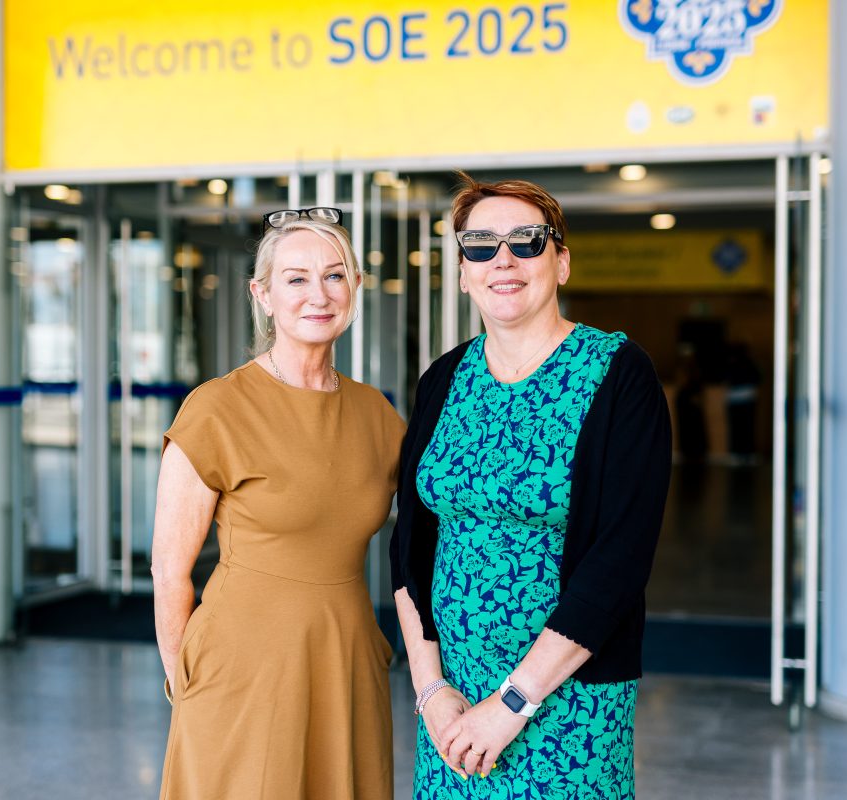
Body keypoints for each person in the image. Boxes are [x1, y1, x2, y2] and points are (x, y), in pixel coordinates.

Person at [390, 176, 671, 798]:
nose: (503, 260)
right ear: (463, 273)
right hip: (453, 700)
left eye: (526, 241)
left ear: (561, 262)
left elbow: (620, 558)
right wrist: (430, 689)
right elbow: (409, 545)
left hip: (567, 697)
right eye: (481, 245)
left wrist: (513, 701)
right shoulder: (443, 379)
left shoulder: (619, 374)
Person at [152, 208, 405, 799]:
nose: (319, 294)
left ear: (355, 288)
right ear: (262, 294)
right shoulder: (217, 408)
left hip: (346, 660)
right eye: (296, 279)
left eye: (334, 275)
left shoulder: (377, 414)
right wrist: (188, 682)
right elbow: (169, 571)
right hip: (242, 665)